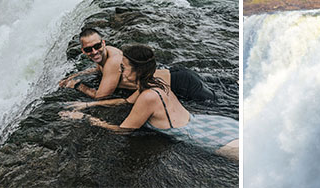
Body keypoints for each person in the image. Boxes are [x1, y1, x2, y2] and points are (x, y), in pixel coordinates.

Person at [59, 44, 238, 161]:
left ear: (135, 71)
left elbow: (123, 130)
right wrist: (88, 105)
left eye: (124, 67)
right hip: (206, 122)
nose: (119, 69)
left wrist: (84, 118)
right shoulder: (155, 82)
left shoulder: (147, 97)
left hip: (201, 136)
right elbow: (126, 100)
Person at [58, 28, 214, 101]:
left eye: (97, 46)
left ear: (103, 43)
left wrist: (77, 86)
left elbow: (101, 97)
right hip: (174, 74)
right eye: (88, 49)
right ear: (83, 50)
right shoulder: (106, 54)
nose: (94, 52)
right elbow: (99, 69)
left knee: (216, 103)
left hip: (180, 84)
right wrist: (75, 75)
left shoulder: (113, 61)